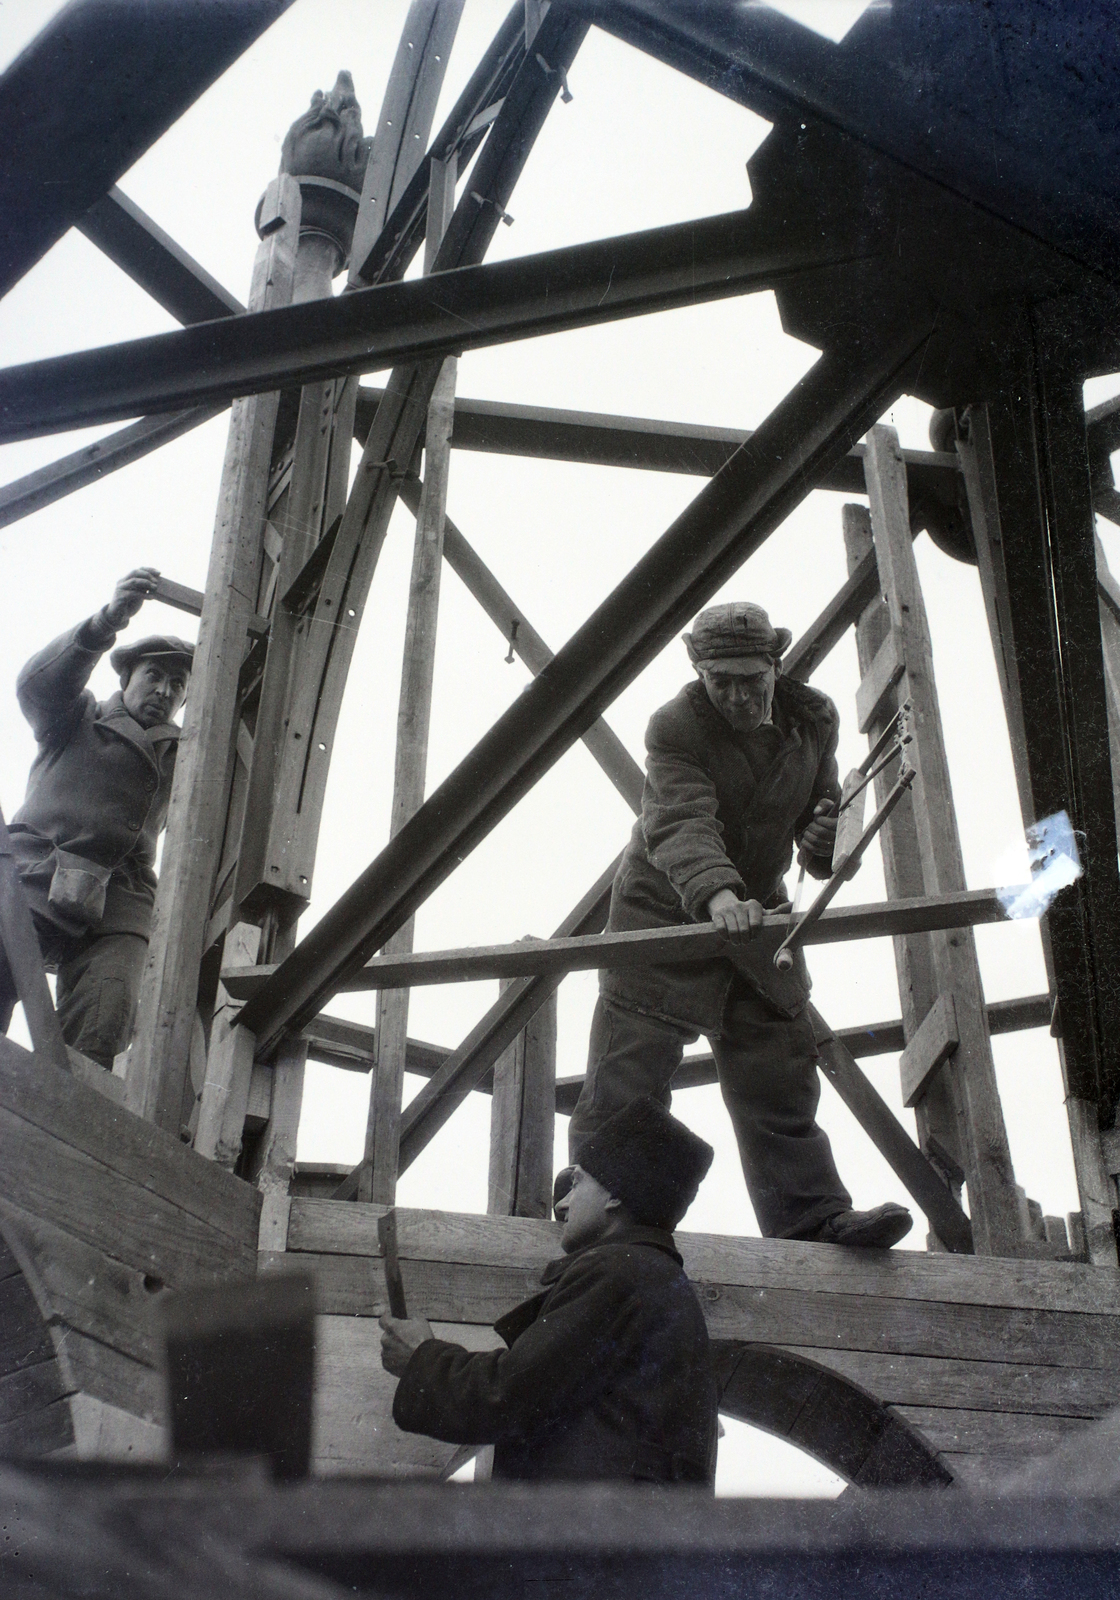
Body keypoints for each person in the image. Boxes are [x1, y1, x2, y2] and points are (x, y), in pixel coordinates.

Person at [567, 602, 912, 1250]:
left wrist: (822, 838)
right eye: (719, 680)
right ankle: (604, 1218)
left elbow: (823, 815)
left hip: (755, 914)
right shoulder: (675, 728)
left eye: (749, 679)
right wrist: (717, 893)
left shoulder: (813, 722)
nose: (736, 695)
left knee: (778, 1068)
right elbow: (679, 821)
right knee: (628, 1073)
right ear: (700, 674)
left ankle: (811, 1219)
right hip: (665, 911)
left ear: (774, 667)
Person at [381, 1098, 719, 1487]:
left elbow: (508, 1394)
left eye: (577, 1183)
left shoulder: (617, 1271)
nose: (562, 1203)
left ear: (615, 1196)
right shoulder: (655, 1277)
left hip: (595, 1536)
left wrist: (421, 1361)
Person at [1, 569, 193, 1067]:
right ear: (127, 678)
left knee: (106, 1020)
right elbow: (36, 686)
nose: (164, 690)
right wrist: (105, 622)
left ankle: (60, 1128)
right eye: (153, 675)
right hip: (39, 871)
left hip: (121, 901)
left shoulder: (190, 753)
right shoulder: (78, 717)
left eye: (178, 684)